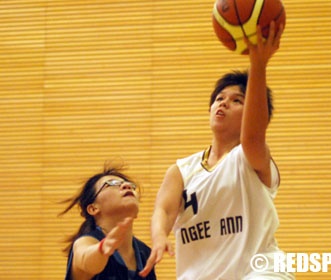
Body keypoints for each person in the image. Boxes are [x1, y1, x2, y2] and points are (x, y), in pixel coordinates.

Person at [140, 21, 294, 279]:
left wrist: (258, 64)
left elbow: (254, 136)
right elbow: (164, 211)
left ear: (254, 113)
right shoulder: (182, 170)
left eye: (237, 100)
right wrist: (158, 238)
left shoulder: (250, 156)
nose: (223, 104)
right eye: (219, 99)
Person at [59, 163, 157, 280]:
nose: (126, 186)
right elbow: (86, 259)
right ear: (93, 208)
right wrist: (102, 249)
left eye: (130, 185)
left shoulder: (145, 253)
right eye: (113, 184)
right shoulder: (86, 242)